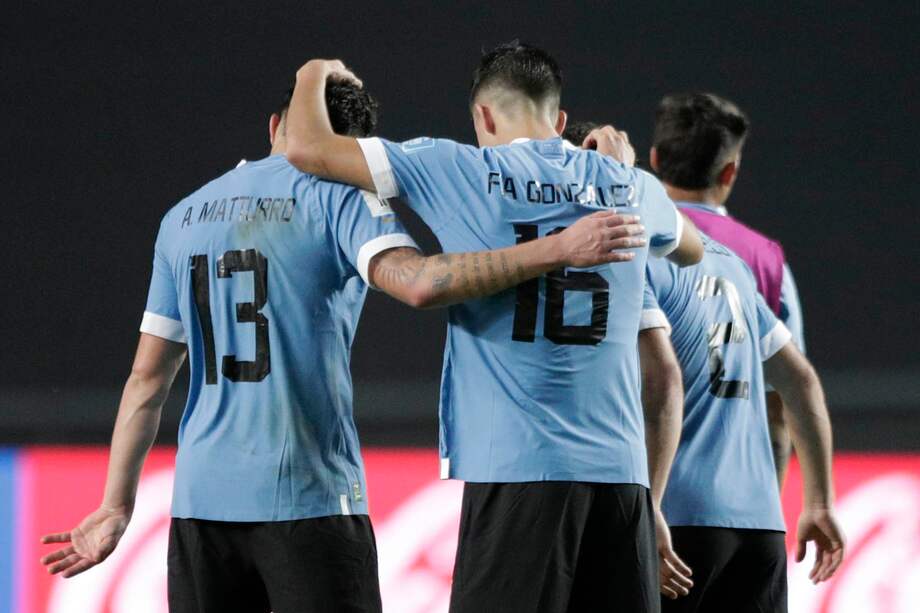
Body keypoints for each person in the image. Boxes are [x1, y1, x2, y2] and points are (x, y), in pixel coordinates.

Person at [38, 79, 645, 613]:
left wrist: (116, 506)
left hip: (200, 511)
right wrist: (556, 248)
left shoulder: (183, 216)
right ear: (351, 148)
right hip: (310, 498)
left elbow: (147, 381)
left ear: (276, 126)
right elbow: (419, 283)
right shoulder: (342, 195)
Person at [283, 41, 704, 613]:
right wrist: (619, 175)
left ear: (483, 116)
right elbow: (693, 250)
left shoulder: (459, 167)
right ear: (558, 120)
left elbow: (307, 148)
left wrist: (314, 71)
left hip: (520, 472)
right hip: (621, 482)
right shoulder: (631, 187)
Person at [640, 233, 845, 611]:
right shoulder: (731, 264)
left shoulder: (637, 255)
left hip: (675, 517)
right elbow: (799, 381)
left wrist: (646, 507)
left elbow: (660, 381)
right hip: (758, 525)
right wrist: (819, 503)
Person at [650, 93, 806, 487]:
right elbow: (783, 398)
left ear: (653, 160)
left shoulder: (626, 237)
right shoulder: (765, 260)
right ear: (729, 172)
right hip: (735, 496)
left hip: (642, 489)